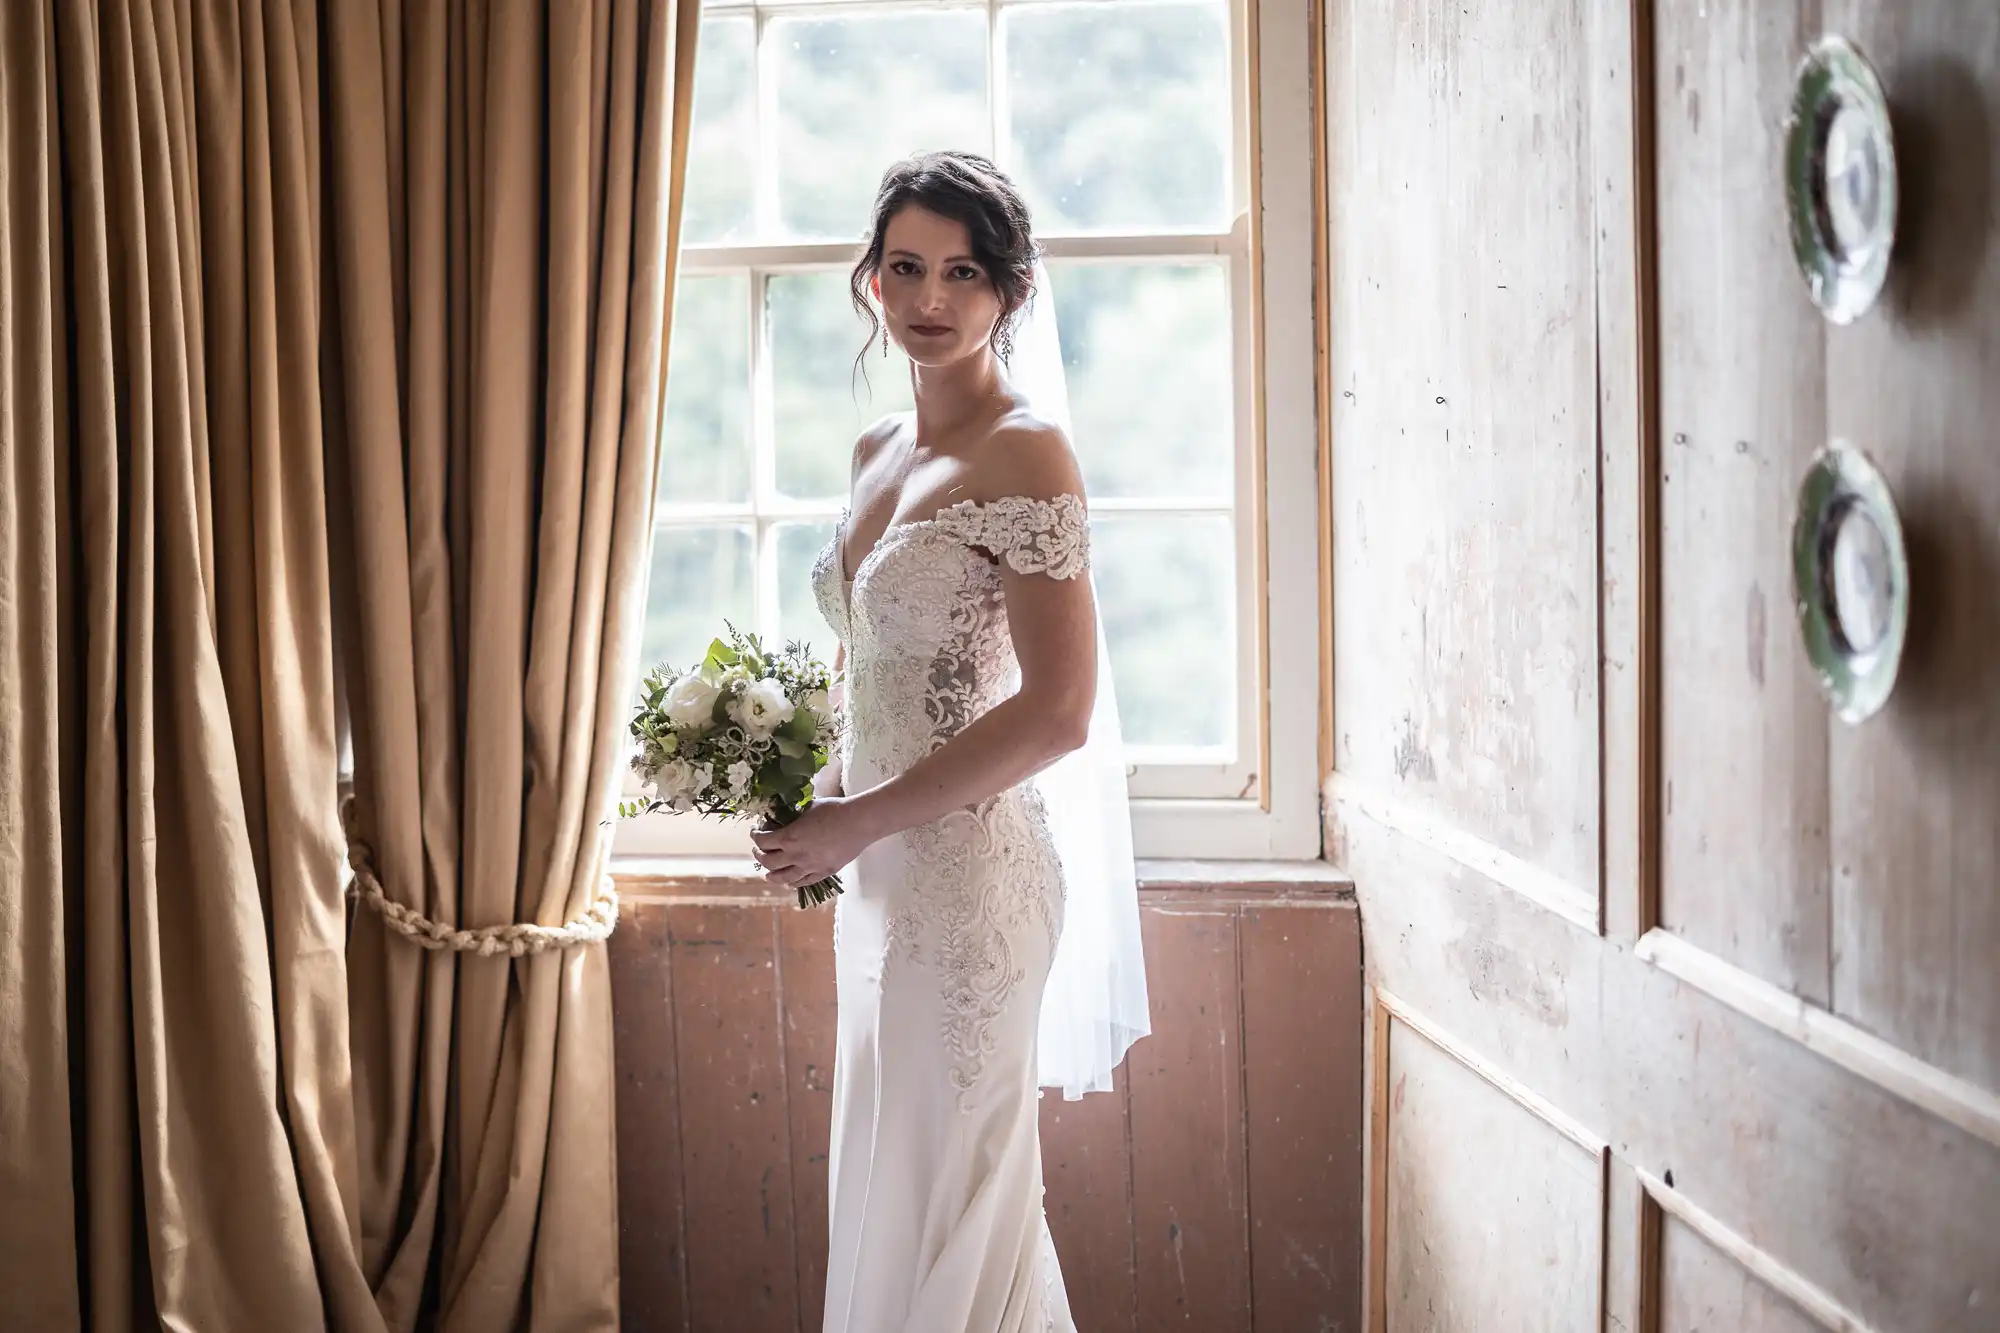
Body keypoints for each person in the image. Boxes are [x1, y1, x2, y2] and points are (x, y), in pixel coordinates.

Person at [749, 150, 1147, 1333]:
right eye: (906, 267)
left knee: (961, 1202)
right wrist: (811, 792)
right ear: (870, 280)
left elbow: (1057, 711)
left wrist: (858, 818)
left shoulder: (1025, 452)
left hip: (968, 885)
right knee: (889, 1182)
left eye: (962, 272)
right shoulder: (875, 447)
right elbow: (879, 672)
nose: (930, 298)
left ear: (1009, 294)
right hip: (872, 880)